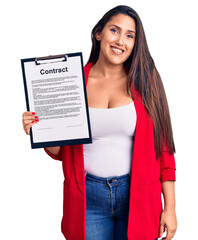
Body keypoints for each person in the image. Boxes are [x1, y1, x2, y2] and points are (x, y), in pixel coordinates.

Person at [22, 5, 177, 240]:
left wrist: (171, 207)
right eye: (114, 30)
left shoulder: (147, 81)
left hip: (138, 195)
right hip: (88, 198)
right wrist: (39, 130)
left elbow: (164, 148)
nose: (120, 41)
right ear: (99, 33)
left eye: (130, 35)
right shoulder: (72, 82)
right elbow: (62, 152)